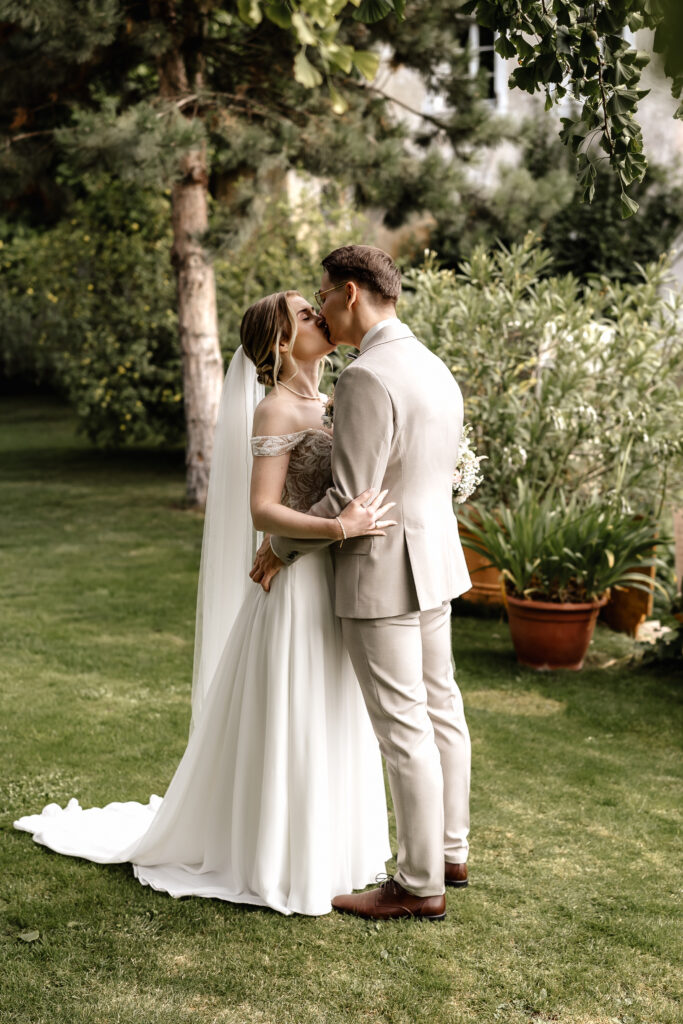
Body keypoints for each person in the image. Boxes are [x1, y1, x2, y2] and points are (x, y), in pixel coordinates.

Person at [14, 289, 394, 917]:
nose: (318, 318)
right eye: (304, 315)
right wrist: (337, 529)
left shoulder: (330, 401)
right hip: (297, 590)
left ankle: (334, 851)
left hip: (326, 579)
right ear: (279, 343)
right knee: (294, 709)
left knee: (330, 705)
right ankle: (277, 858)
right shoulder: (275, 409)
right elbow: (262, 509)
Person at [250, 246, 472, 921]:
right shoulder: (429, 365)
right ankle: (450, 852)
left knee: (404, 727)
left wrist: (278, 547)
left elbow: (352, 499)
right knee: (441, 712)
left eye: (324, 293)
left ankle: (416, 882)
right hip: (434, 562)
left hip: (383, 572)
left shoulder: (366, 378)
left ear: (350, 292)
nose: (321, 307)